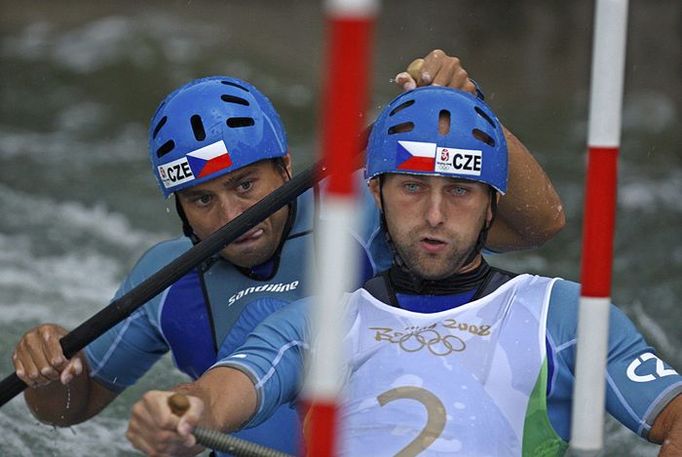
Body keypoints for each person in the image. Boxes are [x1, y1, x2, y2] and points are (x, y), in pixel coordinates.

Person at [12, 51, 565, 456]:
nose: (230, 217)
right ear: (178, 208)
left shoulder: (364, 213)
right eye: (202, 199)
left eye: (247, 186)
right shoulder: (163, 279)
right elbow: (69, 412)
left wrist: (467, 111)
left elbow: (539, 225)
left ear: (284, 170)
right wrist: (50, 380)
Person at [126, 86, 682, 457]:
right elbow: (222, 394)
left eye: (459, 190)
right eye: (413, 188)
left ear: (493, 203)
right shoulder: (316, 321)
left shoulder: (566, 316)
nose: (435, 215)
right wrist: (178, 412)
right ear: (378, 194)